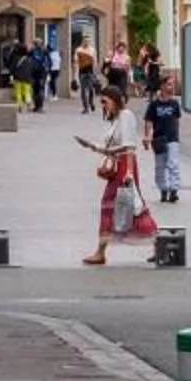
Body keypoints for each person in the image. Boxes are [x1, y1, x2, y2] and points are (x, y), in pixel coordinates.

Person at [79, 84, 153, 265]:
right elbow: (115, 147)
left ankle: (101, 251)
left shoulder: (125, 117)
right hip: (119, 165)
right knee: (120, 204)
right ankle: (101, 250)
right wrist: (93, 147)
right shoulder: (115, 119)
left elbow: (129, 147)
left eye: (105, 102)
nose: (103, 106)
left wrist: (128, 173)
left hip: (124, 166)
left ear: (115, 100)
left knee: (129, 203)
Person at [145, 77, 185, 203]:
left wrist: (176, 134)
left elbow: (177, 120)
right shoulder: (154, 104)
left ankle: (174, 190)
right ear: (162, 86)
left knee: (173, 164)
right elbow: (149, 121)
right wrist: (148, 136)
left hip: (172, 138)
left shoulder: (174, 103)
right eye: (168, 84)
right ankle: (163, 189)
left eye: (172, 85)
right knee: (160, 166)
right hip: (159, 139)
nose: (171, 87)